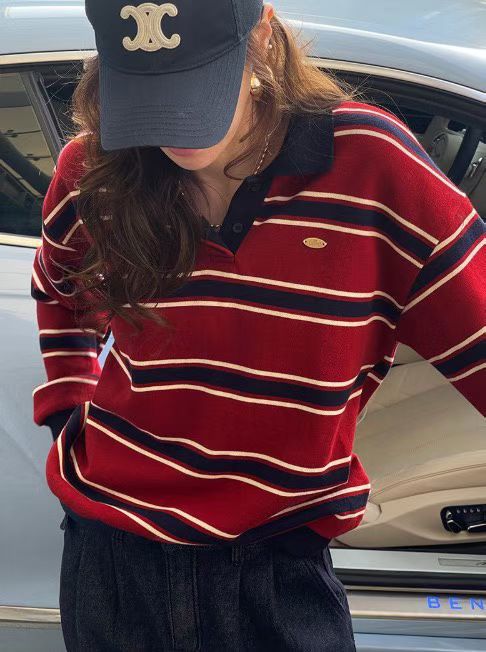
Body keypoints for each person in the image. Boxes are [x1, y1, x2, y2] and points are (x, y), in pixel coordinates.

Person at [31, 0, 485, 650]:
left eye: (197, 85)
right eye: (148, 92)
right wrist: (66, 407)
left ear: (263, 38)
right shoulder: (96, 168)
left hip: (275, 566)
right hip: (111, 554)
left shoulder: (371, 164)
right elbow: (58, 288)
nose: (173, 128)